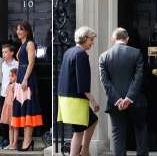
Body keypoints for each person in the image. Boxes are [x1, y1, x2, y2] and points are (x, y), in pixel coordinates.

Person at [99, 27, 148, 156]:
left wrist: (117, 100)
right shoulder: (136, 53)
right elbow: (138, 78)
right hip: (136, 101)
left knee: (117, 134)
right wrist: (129, 98)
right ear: (127, 39)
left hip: (115, 103)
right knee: (140, 130)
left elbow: (105, 82)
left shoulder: (104, 56)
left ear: (113, 39)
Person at [57, 26, 100, 156]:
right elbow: (82, 82)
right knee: (80, 130)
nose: (92, 42)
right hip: (75, 99)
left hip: (65, 97)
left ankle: (85, 150)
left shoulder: (69, 52)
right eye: (91, 39)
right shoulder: (81, 54)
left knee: (87, 124)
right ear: (85, 38)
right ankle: (83, 151)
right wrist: (93, 101)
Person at [11, 21, 43, 151]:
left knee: (28, 109)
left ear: (27, 31)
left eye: (21, 29)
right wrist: (15, 82)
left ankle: (27, 141)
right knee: (22, 109)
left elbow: (31, 63)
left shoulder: (29, 44)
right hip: (20, 79)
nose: (18, 31)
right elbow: (20, 65)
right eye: (17, 29)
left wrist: (25, 79)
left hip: (27, 80)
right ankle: (26, 140)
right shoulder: (21, 44)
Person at [0, 44, 18, 148]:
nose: (4, 54)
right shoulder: (3, 65)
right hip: (3, 95)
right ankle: (6, 139)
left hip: (13, 96)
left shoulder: (17, 64)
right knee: (2, 119)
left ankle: (13, 141)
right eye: (2, 52)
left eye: (6, 52)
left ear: (12, 53)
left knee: (13, 120)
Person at [0, 68, 18, 150]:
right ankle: (11, 143)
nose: (10, 78)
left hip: (13, 108)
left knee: (15, 126)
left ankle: (15, 143)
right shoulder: (9, 85)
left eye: (12, 76)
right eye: (9, 76)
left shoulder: (16, 86)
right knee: (10, 127)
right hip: (8, 107)